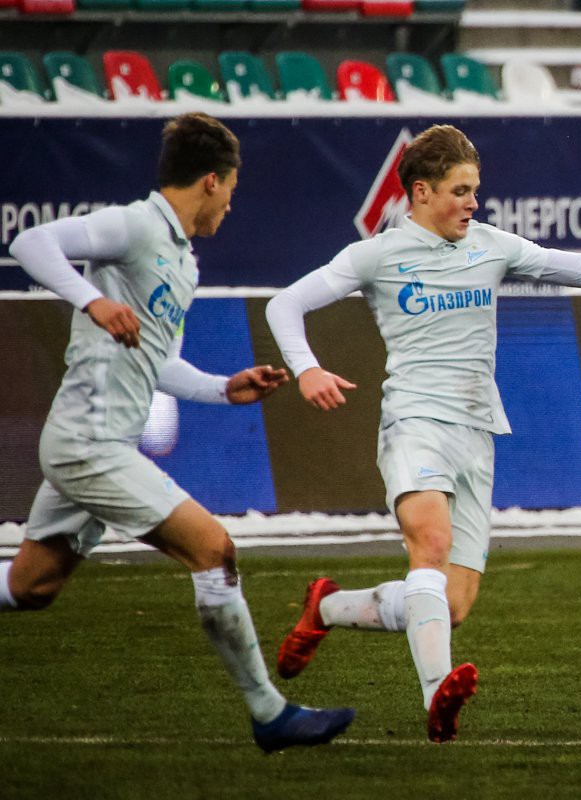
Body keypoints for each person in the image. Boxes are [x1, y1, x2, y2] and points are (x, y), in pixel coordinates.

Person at [264, 124, 581, 743]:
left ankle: (327, 607)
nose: (473, 202)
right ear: (421, 191)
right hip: (414, 423)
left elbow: (580, 266)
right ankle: (438, 700)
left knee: (451, 604)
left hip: (477, 431)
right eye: (460, 191)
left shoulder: (490, 245)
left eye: (475, 190)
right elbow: (285, 305)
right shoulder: (377, 255)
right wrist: (306, 369)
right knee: (430, 545)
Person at [0, 113, 355, 753]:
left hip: (101, 444)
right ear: (211, 181)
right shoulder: (136, 225)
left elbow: (159, 362)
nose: (230, 205)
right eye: (231, 190)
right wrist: (92, 301)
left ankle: (271, 716)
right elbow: (30, 243)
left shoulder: (182, 264)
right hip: (87, 444)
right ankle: (270, 714)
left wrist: (224, 387)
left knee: (31, 587)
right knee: (214, 548)